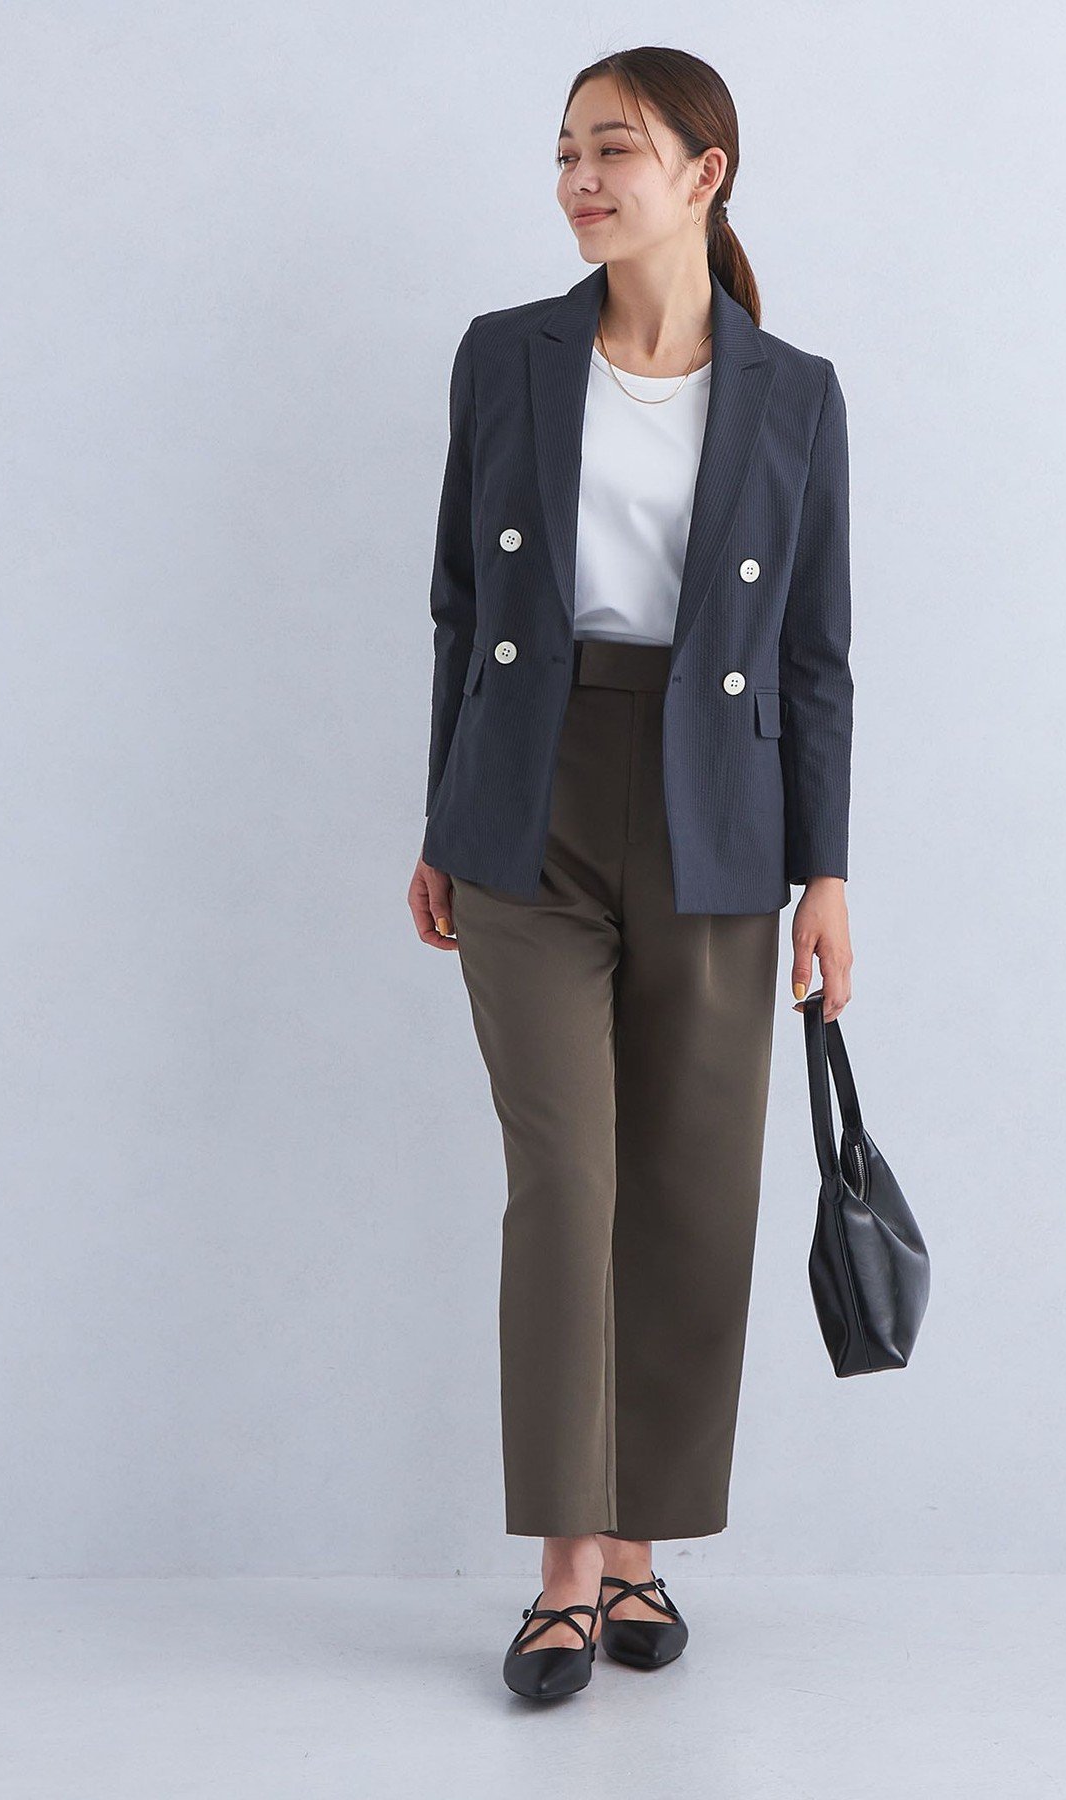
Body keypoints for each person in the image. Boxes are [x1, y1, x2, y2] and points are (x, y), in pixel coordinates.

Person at [408, 46, 854, 1699]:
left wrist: (827, 874)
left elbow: (816, 655)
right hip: (528, 805)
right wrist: (444, 816)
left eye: (614, 150)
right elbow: (459, 605)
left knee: (689, 1185)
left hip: (717, 811)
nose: (580, 181)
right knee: (567, 1185)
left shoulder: (794, 391)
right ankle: (563, 1573)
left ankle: (646, 1548)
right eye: (566, 154)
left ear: (704, 173)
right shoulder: (505, 356)